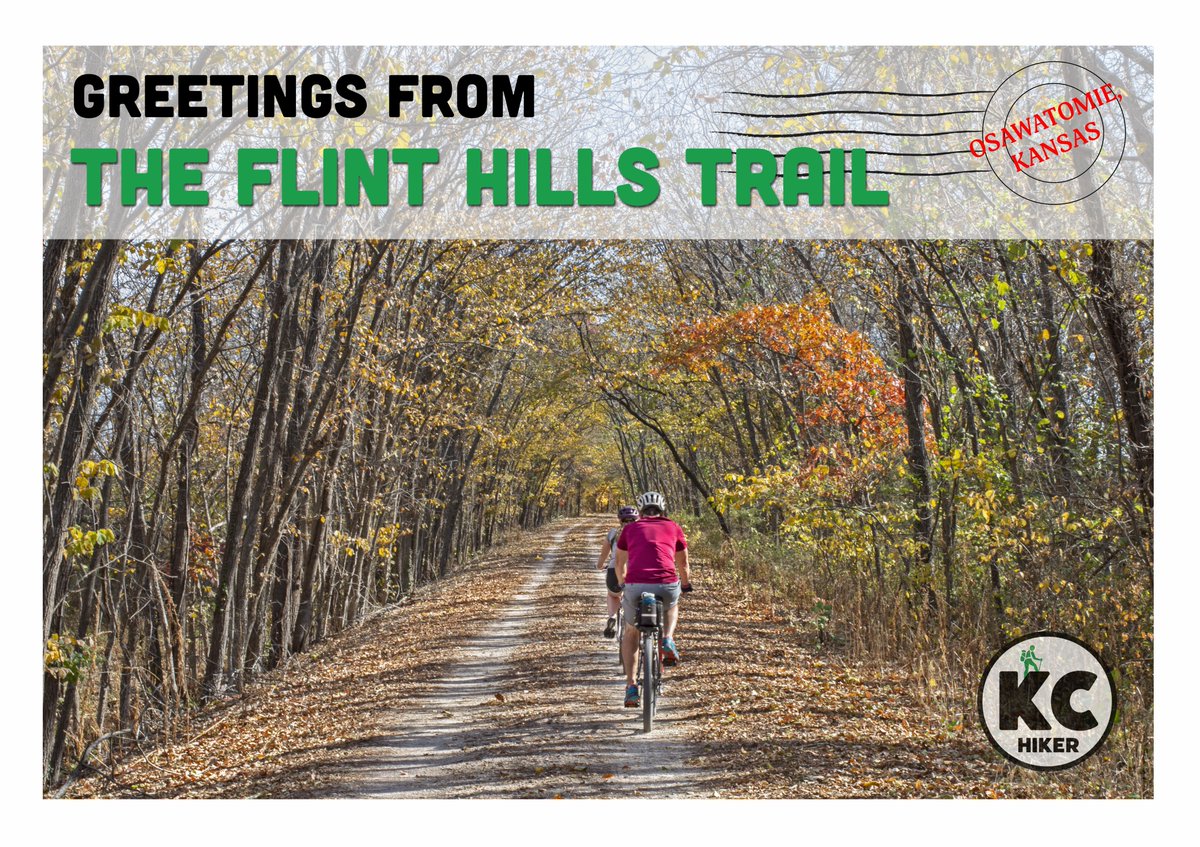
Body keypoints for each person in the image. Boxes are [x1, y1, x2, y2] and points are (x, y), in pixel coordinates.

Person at [614, 490, 692, 708]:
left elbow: (620, 564)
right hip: (666, 584)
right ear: (662, 509)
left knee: (631, 631)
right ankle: (667, 638)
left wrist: (622, 583)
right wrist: (685, 585)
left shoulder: (630, 529)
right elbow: (683, 565)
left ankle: (631, 686)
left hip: (636, 585)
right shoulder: (673, 527)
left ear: (640, 511)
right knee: (672, 603)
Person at [595, 506, 639, 638]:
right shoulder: (644, 532)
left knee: (613, 595)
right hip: (637, 572)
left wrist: (599, 566)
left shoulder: (613, 534)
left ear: (620, 520)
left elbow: (603, 556)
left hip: (614, 571)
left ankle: (612, 616)